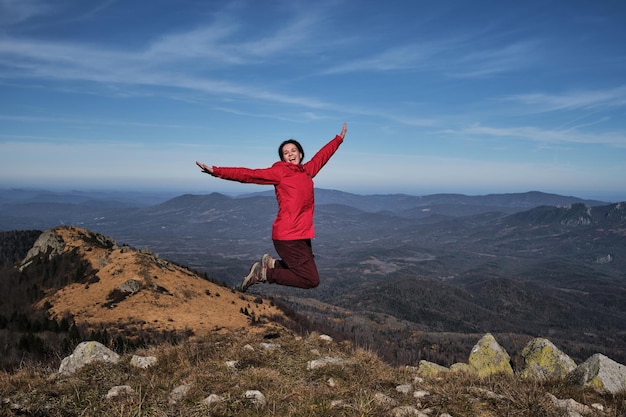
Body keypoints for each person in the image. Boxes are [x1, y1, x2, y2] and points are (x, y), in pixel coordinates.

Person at [196, 123, 347, 292]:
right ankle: (264, 274)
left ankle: (272, 263)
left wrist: (338, 140)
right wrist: (217, 171)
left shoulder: (306, 171)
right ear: (283, 158)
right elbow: (249, 174)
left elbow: (321, 157)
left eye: (293, 150)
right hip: (288, 236)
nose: (290, 154)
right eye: (286, 152)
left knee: (306, 269)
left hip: (302, 235)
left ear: (301, 154)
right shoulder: (280, 173)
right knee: (310, 279)